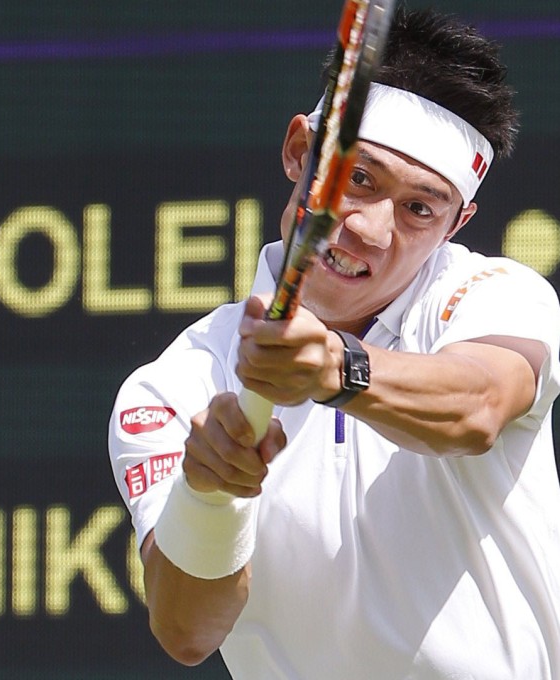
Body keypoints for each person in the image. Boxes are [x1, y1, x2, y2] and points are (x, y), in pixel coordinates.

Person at [108, 7, 560, 679]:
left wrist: (334, 369)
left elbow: (479, 406)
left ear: (457, 221)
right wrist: (211, 494)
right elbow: (186, 632)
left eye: (420, 209)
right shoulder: (171, 386)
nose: (372, 231)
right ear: (299, 150)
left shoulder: (492, 292)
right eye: (360, 179)